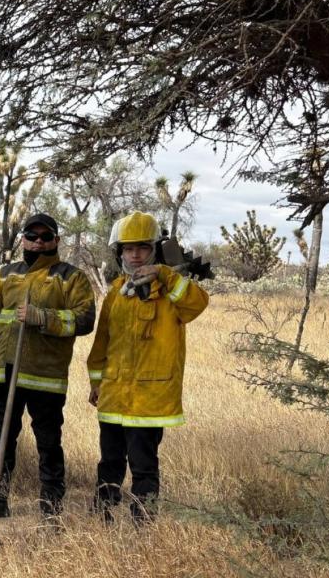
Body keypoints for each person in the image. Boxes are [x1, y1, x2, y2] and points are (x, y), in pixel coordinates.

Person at [0, 213, 96, 521]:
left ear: (56, 241)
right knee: (2, 437)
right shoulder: (5, 274)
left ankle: (51, 502)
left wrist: (44, 317)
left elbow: (85, 320)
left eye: (45, 237)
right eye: (31, 236)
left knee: (48, 440)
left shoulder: (71, 277)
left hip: (44, 374)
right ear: (22, 238)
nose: (38, 242)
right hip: (2, 370)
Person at [87, 211, 209, 523]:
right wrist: (96, 382)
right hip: (114, 396)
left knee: (143, 464)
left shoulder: (170, 290)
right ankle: (103, 516)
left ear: (153, 250)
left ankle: (143, 521)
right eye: (129, 249)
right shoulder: (116, 291)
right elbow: (102, 341)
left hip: (149, 399)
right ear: (120, 253)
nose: (135, 254)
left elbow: (197, 303)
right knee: (110, 461)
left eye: (142, 247)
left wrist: (166, 276)